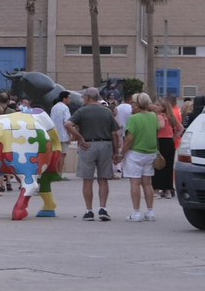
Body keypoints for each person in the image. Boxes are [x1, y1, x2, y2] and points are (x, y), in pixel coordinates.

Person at [67, 87, 118, 220]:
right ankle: (103, 208)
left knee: (87, 180)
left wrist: (79, 138)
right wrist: (116, 151)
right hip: (105, 145)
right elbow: (115, 133)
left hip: (88, 145)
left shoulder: (82, 111)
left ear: (88, 98)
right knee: (103, 179)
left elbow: (68, 124)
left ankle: (89, 210)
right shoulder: (107, 112)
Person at [121, 93, 159, 221]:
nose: (131, 105)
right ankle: (150, 211)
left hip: (135, 153)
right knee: (147, 183)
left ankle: (136, 212)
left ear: (137, 104)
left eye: (132, 102)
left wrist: (122, 153)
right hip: (150, 153)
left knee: (135, 183)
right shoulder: (153, 116)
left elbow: (129, 139)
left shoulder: (133, 118)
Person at [154, 95, 181, 200]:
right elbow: (180, 128)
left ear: (163, 107)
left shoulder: (159, 116)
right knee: (168, 166)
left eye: (158, 105)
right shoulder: (171, 116)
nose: (155, 107)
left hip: (161, 141)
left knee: (158, 165)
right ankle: (168, 190)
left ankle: (156, 189)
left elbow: (160, 126)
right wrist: (173, 138)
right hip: (170, 141)